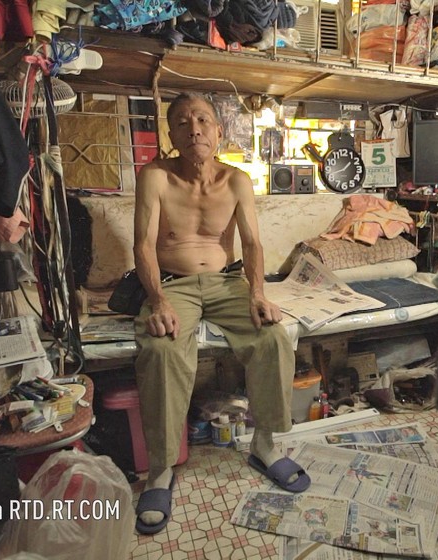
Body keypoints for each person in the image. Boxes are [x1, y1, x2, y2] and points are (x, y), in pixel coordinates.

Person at [132, 93, 311, 535]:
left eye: (202, 120)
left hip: (226, 281)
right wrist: (157, 300)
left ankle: (265, 446)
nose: (193, 128)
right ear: (171, 134)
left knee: (273, 335)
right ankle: (160, 469)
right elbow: (142, 245)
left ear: (218, 131)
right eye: (181, 122)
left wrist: (257, 293)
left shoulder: (237, 180)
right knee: (160, 349)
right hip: (172, 285)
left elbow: (251, 244)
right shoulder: (154, 176)